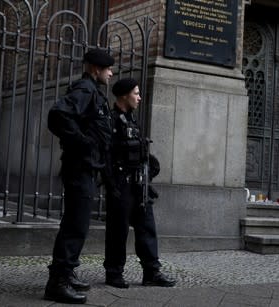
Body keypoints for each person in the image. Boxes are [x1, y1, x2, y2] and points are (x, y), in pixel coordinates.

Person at [44, 49, 114, 304]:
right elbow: (58, 115)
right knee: (76, 225)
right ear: (95, 68)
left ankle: (67, 272)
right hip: (79, 167)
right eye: (108, 69)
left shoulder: (92, 90)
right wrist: (83, 143)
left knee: (77, 224)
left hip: (85, 167)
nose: (111, 72)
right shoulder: (86, 89)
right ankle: (57, 282)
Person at [104, 78, 176, 288]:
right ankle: (114, 272)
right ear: (125, 95)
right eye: (136, 93)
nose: (139, 97)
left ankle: (151, 272)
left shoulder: (132, 120)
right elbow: (106, 155)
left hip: (139, 184)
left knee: (147, 227)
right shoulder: (111, 120)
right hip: (121, 183)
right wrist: (111, 184)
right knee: (118, 231)